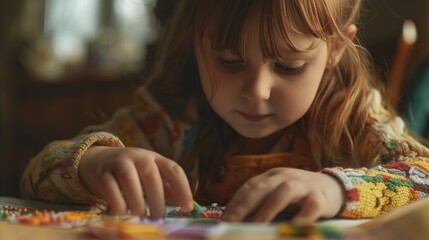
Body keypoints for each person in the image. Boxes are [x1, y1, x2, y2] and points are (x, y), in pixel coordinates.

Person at [20, 0, 429, 224]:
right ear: (196, 42)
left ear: (336, 50)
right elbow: (37, 173)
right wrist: (95, 162)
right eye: (229, 60)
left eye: (288, 66)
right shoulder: (169, 118)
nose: (256, 90)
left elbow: (424, 174)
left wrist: (336, 190)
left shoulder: (351, 118)